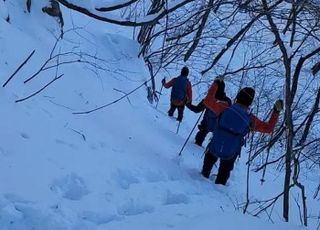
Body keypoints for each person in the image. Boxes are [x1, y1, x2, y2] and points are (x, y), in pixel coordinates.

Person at [201, 80, 283, 185]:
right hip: (231, 150)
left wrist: (216, 84)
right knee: (224, 172)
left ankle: (202, 178)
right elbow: (268, 128)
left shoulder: (224, 107)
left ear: (238, 97)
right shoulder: (250, 119)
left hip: (215, 144)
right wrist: (276, 112)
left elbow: (207, 101)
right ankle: (218, 188)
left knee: (207, 165)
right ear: (250, 103)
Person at [186, 79, 232, 146]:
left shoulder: (209, 99)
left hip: (205, 126)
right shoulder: (227, 101)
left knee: (198, 140)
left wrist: (187, 104)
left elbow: (196, 109)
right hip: (218, 128)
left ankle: (197, 146)